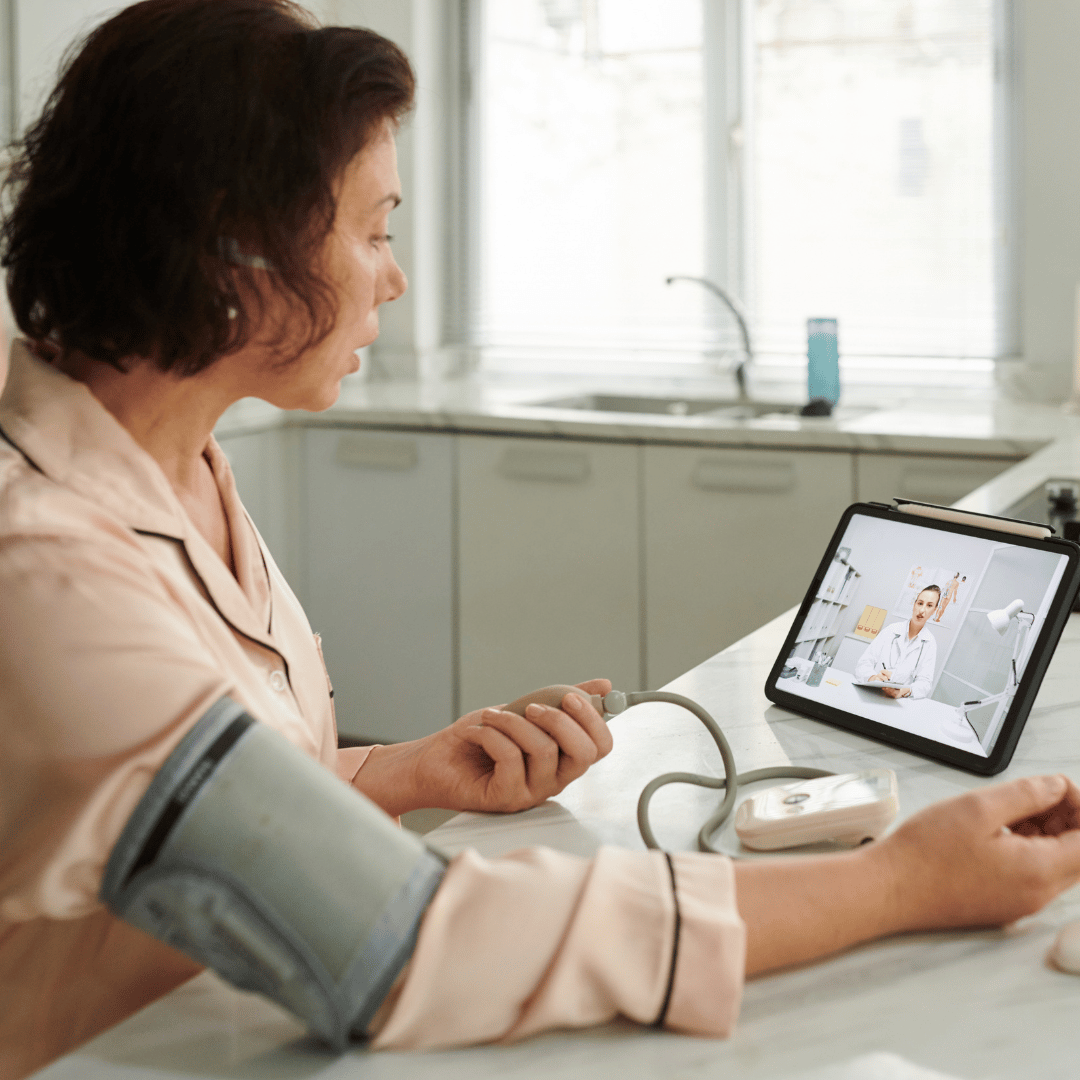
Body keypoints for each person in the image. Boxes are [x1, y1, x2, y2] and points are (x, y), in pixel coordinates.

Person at [2, 4, 1080, 1078]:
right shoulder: (46, 568)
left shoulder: (177, 468)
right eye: (373, 230)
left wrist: (398, 771)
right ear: (235, 247)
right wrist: (900, 883)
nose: (395, 278)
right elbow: (395, 937)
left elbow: (169, 805)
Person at [855, 585, 941, 698]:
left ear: (934, 610)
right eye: (920, 603)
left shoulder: (929, 643)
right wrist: (873, 678)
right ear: (914, 604)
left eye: (929, 605)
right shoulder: (891, 630)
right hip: (871, 693)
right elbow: (864, 663)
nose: (922, 610)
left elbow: (925, 683)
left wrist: (902, 691)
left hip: (899, 701)